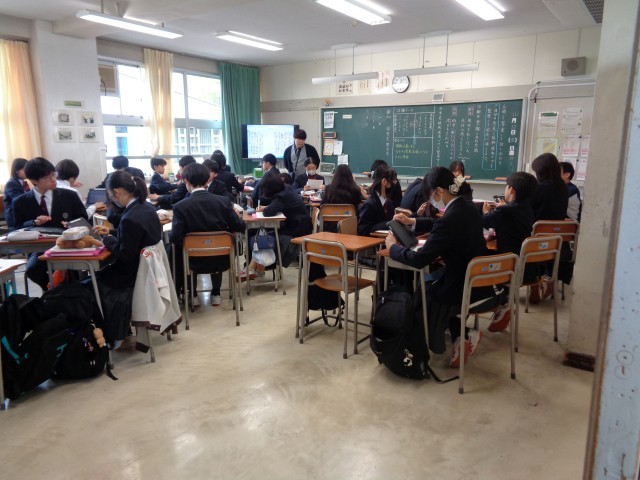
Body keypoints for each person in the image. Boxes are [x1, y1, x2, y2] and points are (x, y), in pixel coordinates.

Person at [386, 167, 486, 367]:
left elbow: (419, 260)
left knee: (424, 290)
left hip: (459, 285)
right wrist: (412, 221)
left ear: (440, 191)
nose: (431, 200)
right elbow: (439, 224)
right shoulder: (468, 207)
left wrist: (392, 248)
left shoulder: (450, 218)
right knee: (431, 280)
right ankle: (461, 335)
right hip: (478, 280)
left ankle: (420, 348)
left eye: (431, 195)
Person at [92, 171, 162, 342]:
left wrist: (107, 240)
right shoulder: (146, 208)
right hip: (149, 270)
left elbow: (125, 255)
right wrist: (112, 232)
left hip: (132, 274)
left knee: (94, 281)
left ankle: (111, 333)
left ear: (116, 192)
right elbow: (136, 235)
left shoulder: (129, 217)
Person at [170, 163, 246, 307]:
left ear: (186, 181)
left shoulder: (180, 207)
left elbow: (175, 237)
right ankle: (216, 294)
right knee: (219, 245)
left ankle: (192, 295)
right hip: (222, 259)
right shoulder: (223, 202)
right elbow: (240, 227)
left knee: (181, 249)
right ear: (207, 180)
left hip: (192, 260)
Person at [14, 157, 88, 291]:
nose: (53, 179)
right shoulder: (21, 201)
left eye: (54, 175)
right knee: (33, 269)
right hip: (39, 248)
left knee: (73, 272)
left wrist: (71, 224)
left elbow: (83, 219)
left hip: (68, 244)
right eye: (47, 178)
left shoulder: (69, 195)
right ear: (34, 180)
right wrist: (34, 222)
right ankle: (53, 293)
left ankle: (65, 295)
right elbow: (17, 227)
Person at [481, 171, 538, 332]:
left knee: (474, 259)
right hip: (523, 265)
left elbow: (484, 222)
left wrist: (487, 211)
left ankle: (501, 302)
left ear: (511, 189)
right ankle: (505, 301)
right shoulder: (526, 208)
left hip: (507, 265)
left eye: (506, 187)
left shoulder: (505, 211)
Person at [241, 169, 312, 280]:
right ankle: (255, 269)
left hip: (296, 230)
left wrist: (265, 208)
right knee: (259, 234)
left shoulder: (282, 196)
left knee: (262, 237)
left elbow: (268, 212)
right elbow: (275, 207)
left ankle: (254, 269)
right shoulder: (286, 189)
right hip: (299, 225)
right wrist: (266, 207)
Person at [357, 165, 398, 237]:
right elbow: (362, 230)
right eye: (393, 181)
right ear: (384, 181)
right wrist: (388, 224)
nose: (395, 184)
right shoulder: (369, 205)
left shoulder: (388, 202)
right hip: (374, 242)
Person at [530, 153, 568, 221]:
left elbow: (528, 209)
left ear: (541, 171)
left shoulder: (539, 188)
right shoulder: (563, 186)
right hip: (557, 226)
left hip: (537, 226)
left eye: (535, 171)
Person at [4, 157, 29, 230]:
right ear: (17, 170)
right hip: (15, 219)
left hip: (24, 217)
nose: (27, 172)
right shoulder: (11, 183)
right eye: (24, 169)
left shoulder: (24, 183)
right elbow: (19, 200)